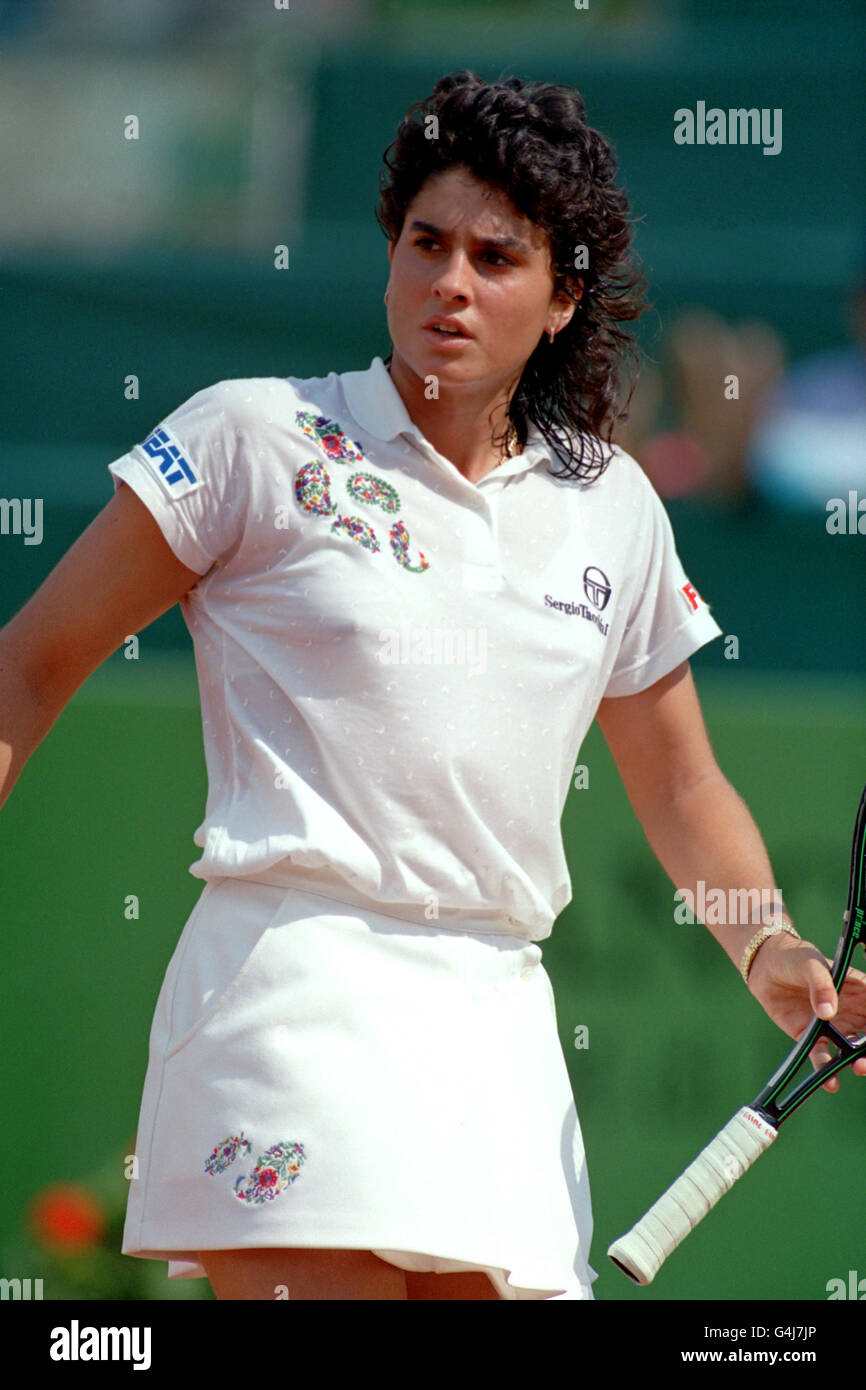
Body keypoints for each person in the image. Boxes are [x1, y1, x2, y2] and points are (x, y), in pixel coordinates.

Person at [2, 69, 865, 1303]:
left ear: (563, 296)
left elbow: (680, 784)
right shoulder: (251, 437)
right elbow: (24, 669)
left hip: (493, 1030)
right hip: (284, 993)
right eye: (426, 243)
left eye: (496, 257)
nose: (449, 283)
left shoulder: (612, 507)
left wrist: (765, 943)